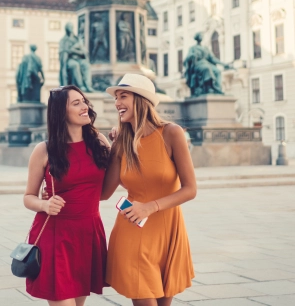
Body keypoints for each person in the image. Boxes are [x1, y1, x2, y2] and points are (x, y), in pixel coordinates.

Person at [102, 73, 196, 306]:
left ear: (141, 99)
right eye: (116, 97)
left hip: (168, 228)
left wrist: (150, 207)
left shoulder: (172, 133)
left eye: (123, 96)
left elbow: (190, 189)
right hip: (133, 229)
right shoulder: (121, 142)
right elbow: (104, 192)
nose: (117, 103)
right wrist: (109, 146)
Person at [24, 85, 110, 306]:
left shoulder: (99, 142)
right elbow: (28, 197)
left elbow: (107, 188)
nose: (85, 107)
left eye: (84, 101)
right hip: (56, 237)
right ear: (61, 112)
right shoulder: (44, 150)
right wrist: (44, 205)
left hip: (89, 233)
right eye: (76, 103)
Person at [59, 23, 93, 92]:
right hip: (69, 59)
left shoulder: (77, 39)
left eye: (71, 27)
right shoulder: (63, 40)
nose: (70, 29)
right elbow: (63, 52)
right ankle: (81, 86)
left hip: (79, 58)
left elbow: (83, 51)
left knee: (86, 65)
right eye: (69, 28)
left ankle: (88, 85)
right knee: (75, 65)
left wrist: (74, 51)